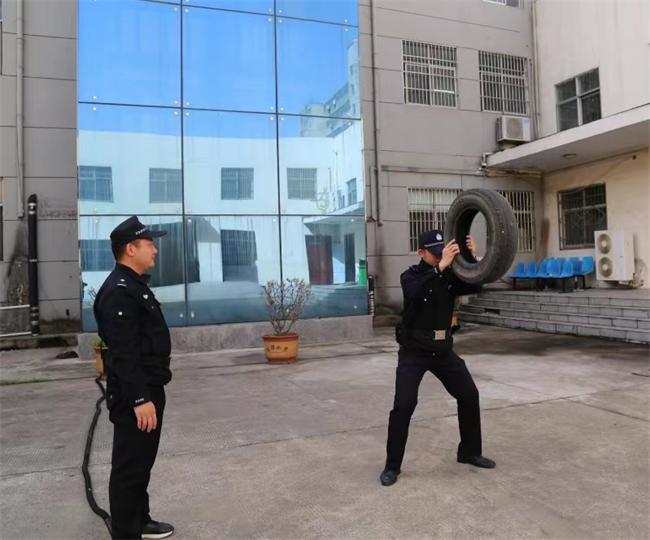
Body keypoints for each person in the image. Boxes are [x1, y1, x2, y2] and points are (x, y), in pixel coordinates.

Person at [380, 229, 496, 487]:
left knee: (469, 395)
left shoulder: (450, 275)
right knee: (404, 405)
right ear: (421, 253)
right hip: (414, 351)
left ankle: (469, 452)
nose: (440, 257)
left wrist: (472, 258)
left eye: (441, 252)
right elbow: (415, 293)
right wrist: (439, 267)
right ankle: (392, 466)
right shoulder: (410, 276)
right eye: (434, 254)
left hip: (442, 349)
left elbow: (475, 285)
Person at [93, 216, 175, 539]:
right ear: (130, 249)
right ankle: (126, 532)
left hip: (149, 386)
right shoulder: (119, 292)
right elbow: (124, 353)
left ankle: (140, 520)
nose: (154, 250)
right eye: (149, 244)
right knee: (129, 466)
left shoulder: (133, 285)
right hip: (135, 393)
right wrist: (140, 398)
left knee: (141, 461)